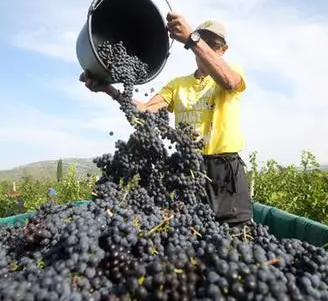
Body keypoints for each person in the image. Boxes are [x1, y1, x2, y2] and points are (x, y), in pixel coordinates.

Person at [79, 11, 253, 227]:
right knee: (191, 232)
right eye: (202, 39)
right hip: (189, 171)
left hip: (225, 171)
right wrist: (109, 90)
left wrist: (193, 38)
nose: (206, 46)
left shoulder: (231, 70)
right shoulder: (177, 84)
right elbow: (144, 112)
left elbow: (230, 81)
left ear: (223, 49)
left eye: (213, 43)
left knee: (237, 234)